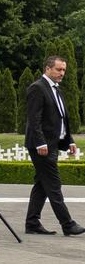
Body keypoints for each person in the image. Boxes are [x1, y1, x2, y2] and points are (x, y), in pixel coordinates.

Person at [24, 55, 83, 236]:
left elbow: (61, 120)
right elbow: (34, 119)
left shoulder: (56, 89)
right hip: (41, 146)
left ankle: (32, 223)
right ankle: (68, 224)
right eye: (59, 69)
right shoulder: (37, 88)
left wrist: (69, 140)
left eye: (64, 70)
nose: (62, 73)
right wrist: (40, 142)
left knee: (42, 185)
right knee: (54, 185)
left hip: (53, 144)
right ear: (48, 69)